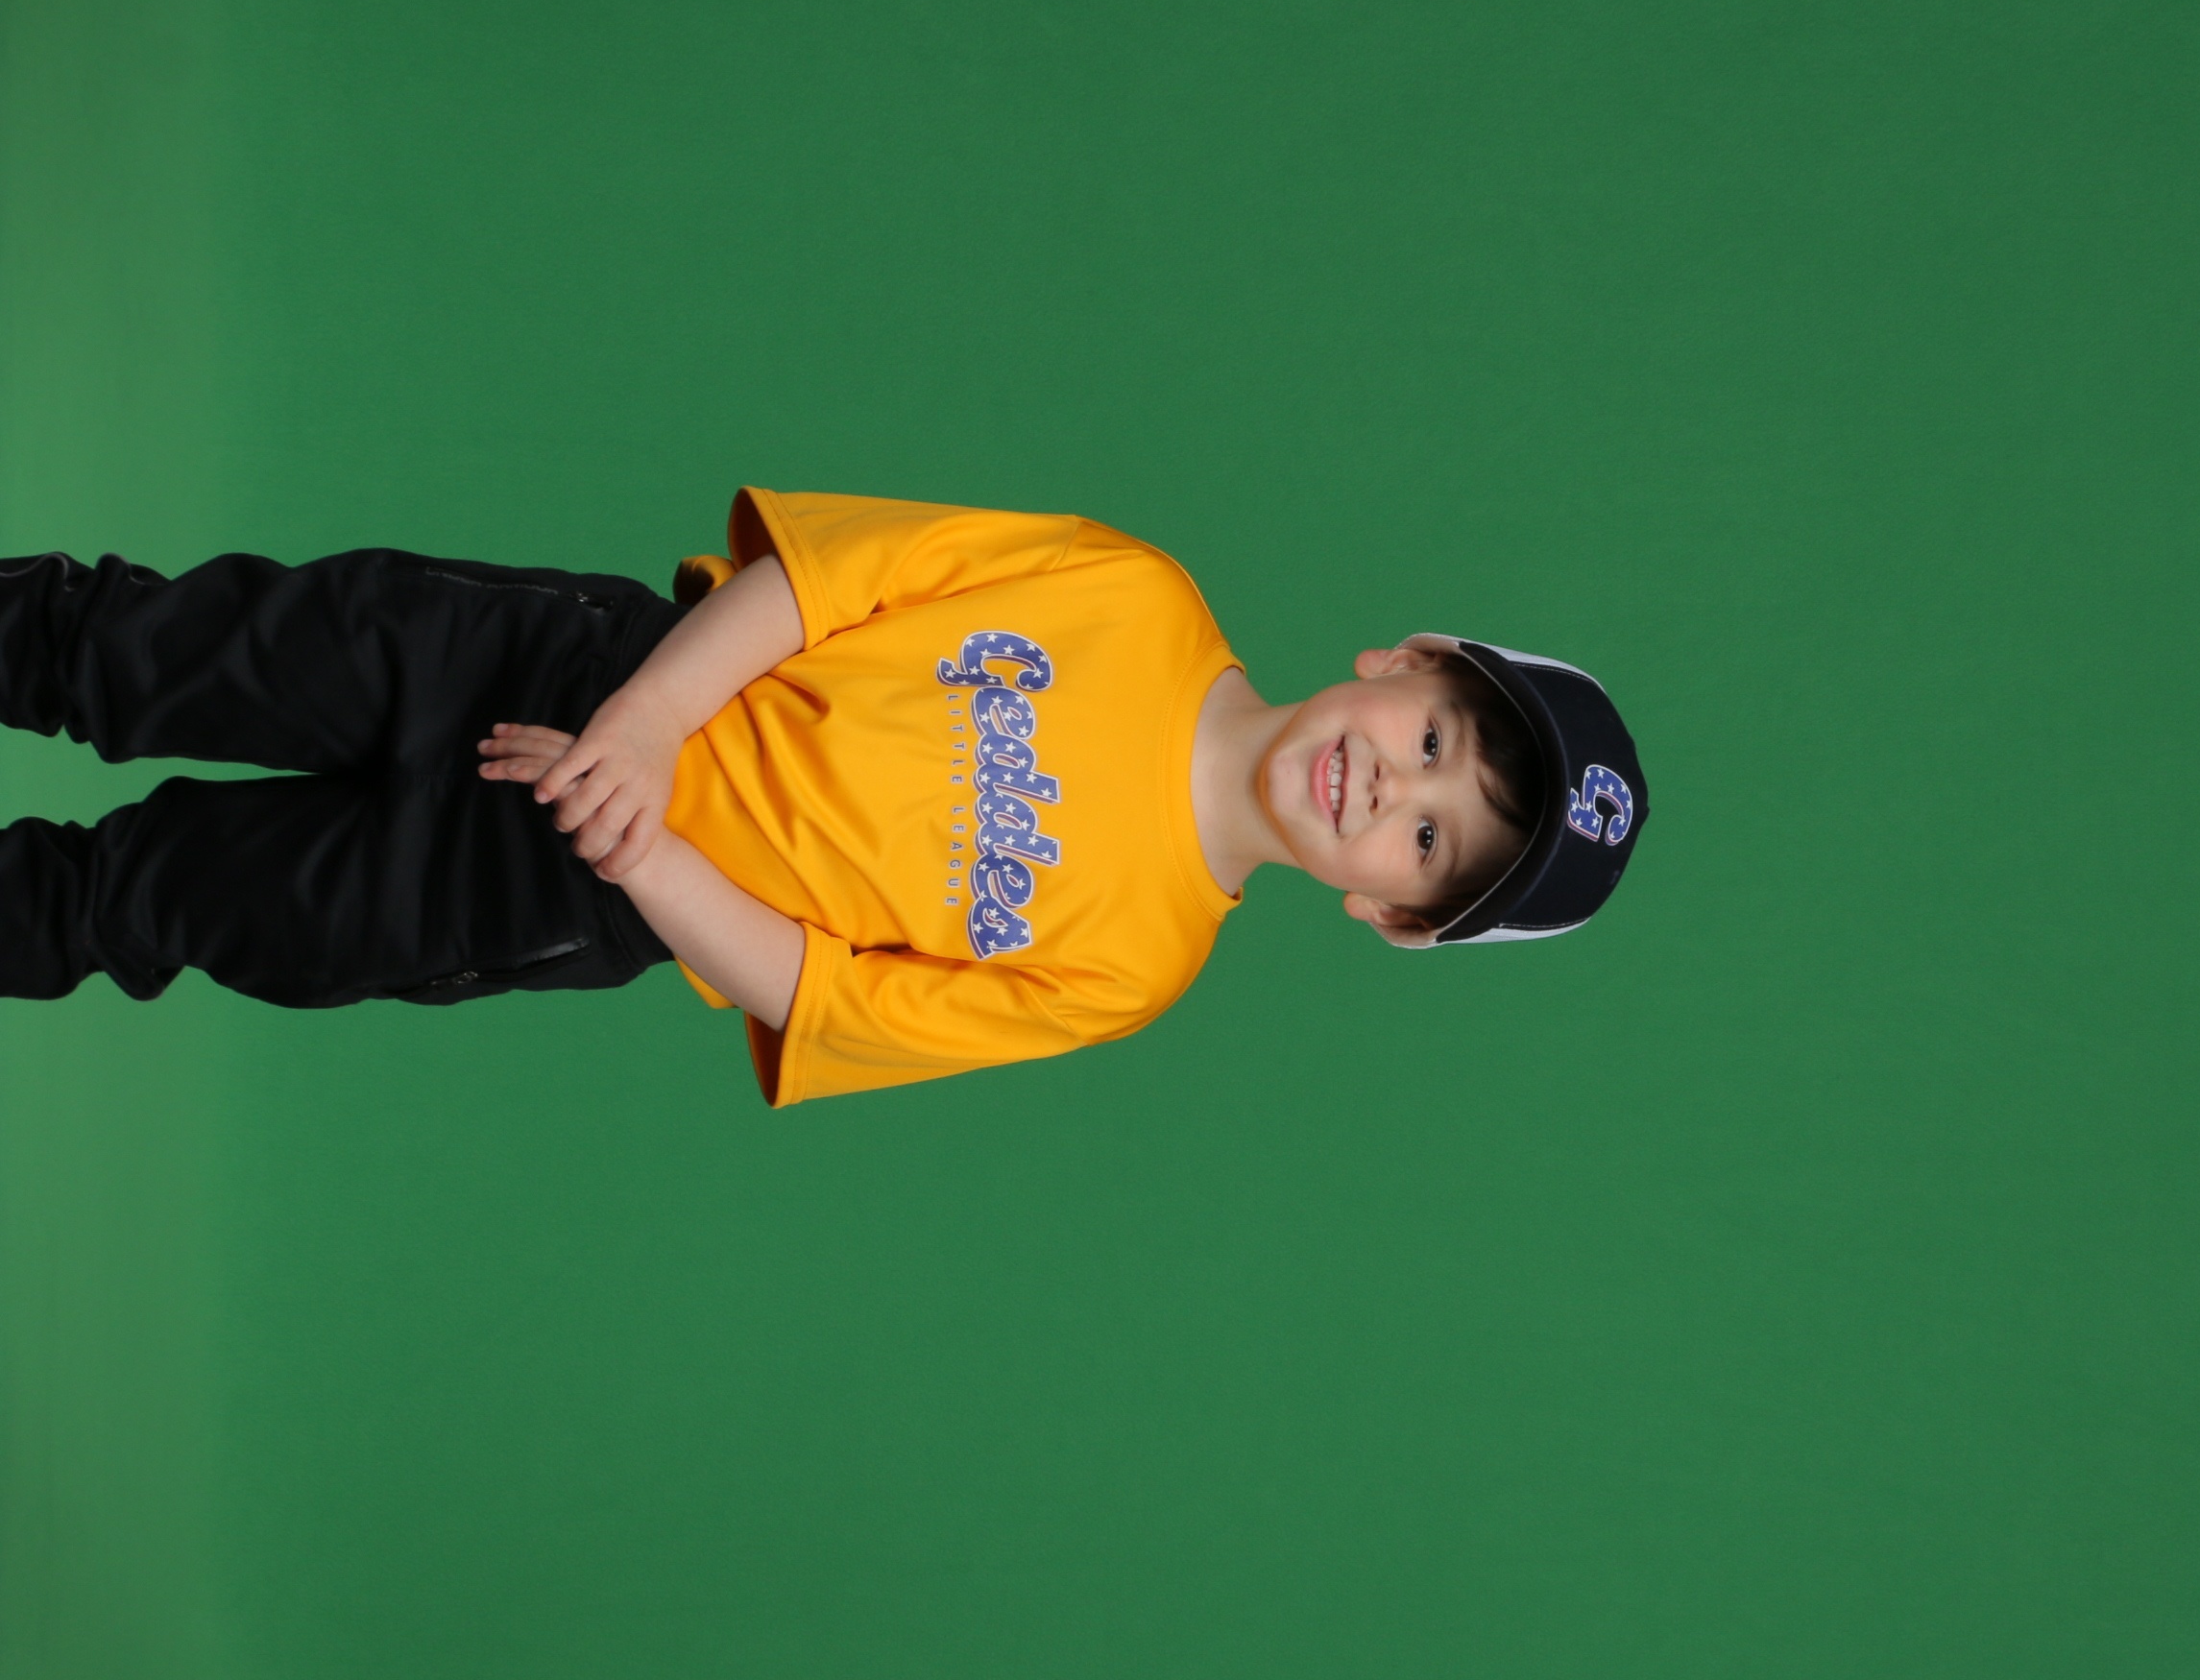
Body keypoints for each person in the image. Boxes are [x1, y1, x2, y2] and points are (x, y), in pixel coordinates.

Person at [0, 489, 1649, 1105]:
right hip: (568, 670)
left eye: (1429, 838)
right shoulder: (1134, 596)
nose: (1393, 785)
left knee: (144, 904)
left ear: (1387, 911)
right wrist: (646, 726)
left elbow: (826, 997)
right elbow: (837, 578)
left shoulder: (1132, 967)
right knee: (136, 648)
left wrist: (638, 846)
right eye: (1438, 736)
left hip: (565, 885)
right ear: (1404, 658)